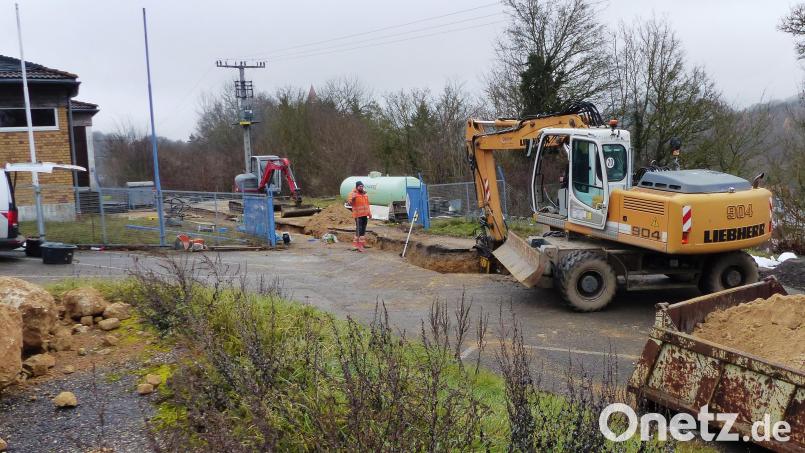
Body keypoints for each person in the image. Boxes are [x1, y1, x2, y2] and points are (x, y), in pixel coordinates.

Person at [347, 181, 371, 252]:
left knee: (363, 229)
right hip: (358, 215)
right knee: (359, 229)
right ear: (357, 187)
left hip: (364, 214)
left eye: (362, 186)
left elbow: (367, 205)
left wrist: (369, 213)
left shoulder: (365, 194)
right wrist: (353, 198)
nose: (361, 187)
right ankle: (356, 245)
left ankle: (362, 244)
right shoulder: (353, 194)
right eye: (359, 186)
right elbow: (349, 203)